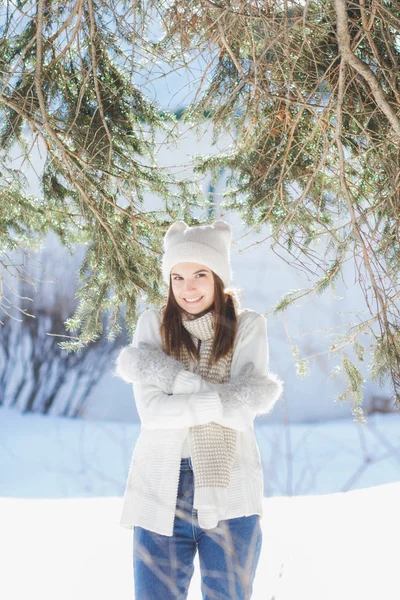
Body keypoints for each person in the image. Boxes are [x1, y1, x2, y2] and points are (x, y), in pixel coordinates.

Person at [116, 220, 284, 600]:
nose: (187, 288)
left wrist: (180, 385)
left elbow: (243, 412)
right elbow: (153, 413)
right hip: (160, 488)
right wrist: (219, 397)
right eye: (177, 277)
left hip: (232, 490)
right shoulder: (153, 326)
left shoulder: (248, 328)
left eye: (199, 275)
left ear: (219, 278)